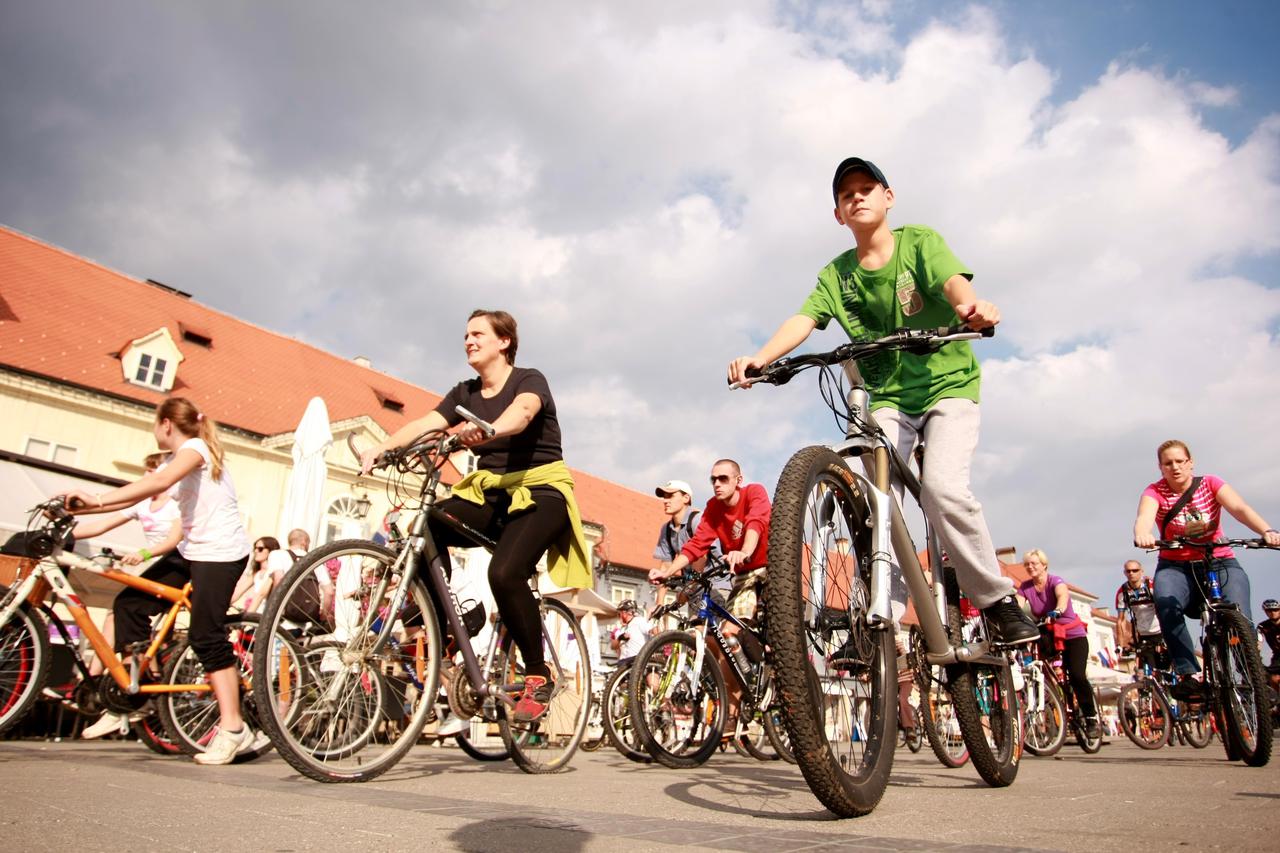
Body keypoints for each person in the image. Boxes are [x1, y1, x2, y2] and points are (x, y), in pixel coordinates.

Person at [727, 156, 1036, 647]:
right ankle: (879, 619)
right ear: (838, 215)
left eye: (867, 188)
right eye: (846, 194)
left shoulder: (920, 243)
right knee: (876, 502)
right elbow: (804, 319)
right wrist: (760, 359)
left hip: (948, 385)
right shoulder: (837, 275)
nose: (857, 197)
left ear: (888, 197)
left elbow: (953, 282)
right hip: (888, 398)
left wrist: (970, 306)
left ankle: (998, 601)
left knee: (941, 489)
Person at [360, 309, 590, 722]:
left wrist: (488, 430)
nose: (468, 340)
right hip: (492, 494)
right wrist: (382, 448)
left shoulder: (528, 379)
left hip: (541, 492)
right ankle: (445, 620)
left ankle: (539, 675)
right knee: (426, 523)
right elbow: (425, 422)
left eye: (478, 333)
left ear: (504, 341)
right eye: (465, 334)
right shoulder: (464, 393)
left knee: (503, 574)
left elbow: (521, 414)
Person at [60, 397, 256, 764]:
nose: (154, 431)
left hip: (221, 553)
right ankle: (137, 689)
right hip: (190, 551)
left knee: (205, 635)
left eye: (155, 425)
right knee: (128, 603)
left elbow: (161, 481)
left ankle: (233, 728)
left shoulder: (196, 448)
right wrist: (76, 518)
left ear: (166, 424)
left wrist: (95, 498)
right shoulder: (172, 461)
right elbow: (132, 500)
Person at [1132, 439, 1280, 700]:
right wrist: (1143, 533)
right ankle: (1189, 675)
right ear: (1161, 467)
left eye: (1180, 461)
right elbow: (1144, 516)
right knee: (1167, 605)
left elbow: (1239, 508)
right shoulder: (1155, 491)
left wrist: (1266, 531)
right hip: (1175, 566)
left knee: (1240, 615)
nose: (1175, 467)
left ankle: (1252, 680)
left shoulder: (1210, 483)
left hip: (1219, 560)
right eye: (1168, 463)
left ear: (1190, 463)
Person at [71, 452, 183, 737]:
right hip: (155, 565)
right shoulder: (143, 502)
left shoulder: (178, 504)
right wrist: (68, 533)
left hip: (178, 562)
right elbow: (102, 524)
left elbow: (174, 540)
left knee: (127, 607)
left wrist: (143, 553)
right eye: (146, 472)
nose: (146, 477)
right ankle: (119, 684)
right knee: (117, 612)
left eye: (152, 472)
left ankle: (133, 693)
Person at [649, 459, 770, 720]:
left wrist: (745, 551)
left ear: (738, 479)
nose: (717, 483)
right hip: (745, 575)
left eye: (723, 478)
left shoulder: (754, 492)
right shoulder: (713, 508)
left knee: (782, 637)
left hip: (772, 567)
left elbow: (756, 523)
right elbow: (696, 545)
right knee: (727, 633)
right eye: (713, 479)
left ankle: (783, 678)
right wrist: (667, 572)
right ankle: (741, 694)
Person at [1017, 548, 1100, 739]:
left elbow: (1062, 596)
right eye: (1027, 564)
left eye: (1034, 564)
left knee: (1077, 676)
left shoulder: (1055, 581)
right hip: (1047, 635)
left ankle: (1091, 717)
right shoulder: (1025, 587)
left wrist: (1058, 610)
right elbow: (1017, 604)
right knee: (1041, 672)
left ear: (1044, 565)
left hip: (1072, 635)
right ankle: (1052, 702)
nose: (1030, 567)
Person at [1114, 560, 1166, 671]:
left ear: (1141, 571)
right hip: (1143, 635)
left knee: (1165, 667)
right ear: (1125, 573)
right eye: (1128, 571)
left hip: (1161, 632)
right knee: (1147, 671)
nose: (1131, 573)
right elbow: (1121, 620)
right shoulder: (1122, 592)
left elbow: (1163, 610)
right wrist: (1120, 644)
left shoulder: (1151, 586)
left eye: (1135, 570)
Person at [231, 536, 281, 614]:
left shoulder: (273, 572)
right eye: (255, 548)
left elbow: (261, 594)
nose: (256, 551)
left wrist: (247, 618)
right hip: (255, 614)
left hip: (265, 616)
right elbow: (238, 592)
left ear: (271, 551)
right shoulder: (256, 573)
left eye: (260, 549)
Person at [609, 600, 655, 667]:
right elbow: (613, 647)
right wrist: (619, 638)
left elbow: (653, 631)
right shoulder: (622, 628)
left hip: (637, 661)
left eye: (620, 613)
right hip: (624, 663)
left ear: (625, 613)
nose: (619, 616)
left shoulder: (639, 621)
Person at [1259, 599, 1280, 692]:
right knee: (1273, 678)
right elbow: (1258, 642)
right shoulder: (1263, 626)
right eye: (1269, 611)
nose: (1273, 613)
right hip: (1277, 656)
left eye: (1276, 610)